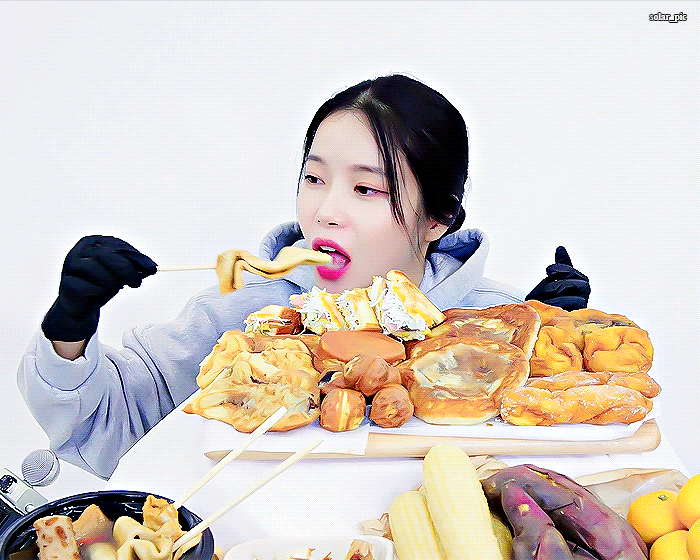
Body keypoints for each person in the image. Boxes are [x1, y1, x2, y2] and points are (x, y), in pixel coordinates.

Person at [18, 74, 590, 479]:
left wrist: (558, 347)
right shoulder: (245, 315)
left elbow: (554, 478)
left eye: (366, 188)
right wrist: (71, 324)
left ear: (438, 217)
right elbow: (113, 418)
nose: (325, 212)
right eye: (315, 179)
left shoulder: (492, 325)